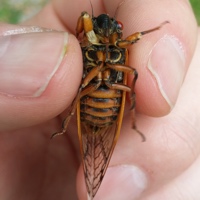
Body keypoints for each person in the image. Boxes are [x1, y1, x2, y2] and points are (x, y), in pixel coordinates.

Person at [0, 0, 199, 199]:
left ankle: (126, 126)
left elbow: (133, 69)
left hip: (109, 95)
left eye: (116, 27)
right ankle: (69, 123)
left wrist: (156, 29)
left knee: (133, 74)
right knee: (85, 89)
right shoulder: (89, 39)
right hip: (91, 95)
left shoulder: (120, 45)